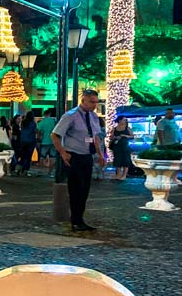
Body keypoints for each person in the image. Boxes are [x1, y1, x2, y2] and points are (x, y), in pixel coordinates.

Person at [51, 89, 108, 232]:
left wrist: (101, 155)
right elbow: (55, 135)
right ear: (83, 100)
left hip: (87, 155)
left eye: (96, 102)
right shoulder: (71, 116)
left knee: (85, 189)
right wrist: (63, 153)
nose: (94, 105)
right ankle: (76, 220)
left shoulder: (93, 116)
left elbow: (95, 137)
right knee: (76, 188)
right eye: (91, 102)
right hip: (73, 155)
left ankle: (79, 218)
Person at [111, 116, 134, 180]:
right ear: (119, 120)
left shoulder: (127, 128)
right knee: (117, 160)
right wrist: (115, 137)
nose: (125, 121)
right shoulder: (115, 129)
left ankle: (124, 175)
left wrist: (125, 136)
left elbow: (132, 136)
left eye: (126, 120)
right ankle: (117, 174)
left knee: (125, 160)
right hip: (117, 146)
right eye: (124, 120)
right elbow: (111, 137)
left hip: (125, 146)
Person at [37, 108, 57, 176]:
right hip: (53, 141)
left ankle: (40, 171)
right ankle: (50, 172)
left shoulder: (41, 122)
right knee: (53, 157)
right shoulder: (54, 121)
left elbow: (38, 131)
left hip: (44, 142)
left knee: (42, 157)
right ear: (50, 114)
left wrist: (39, 138)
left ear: (44, 114)